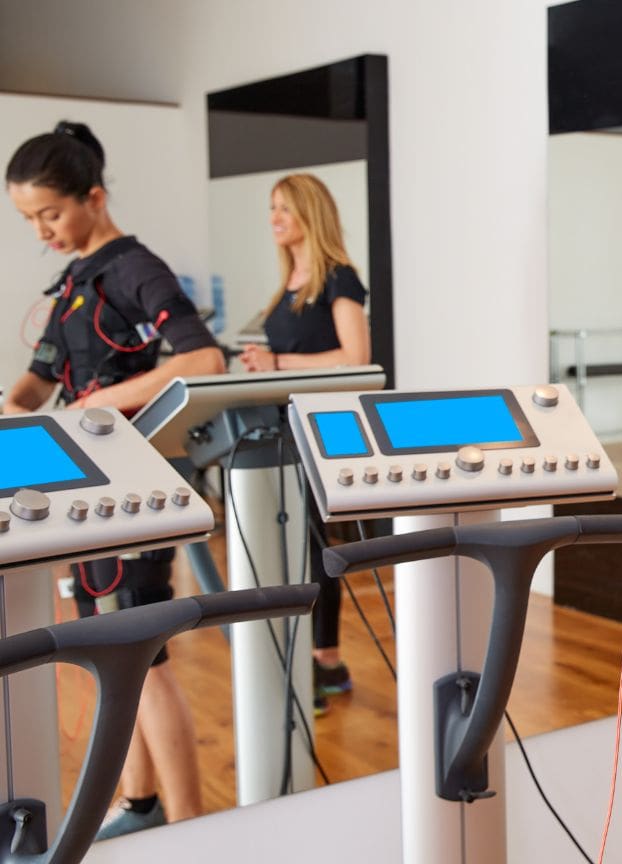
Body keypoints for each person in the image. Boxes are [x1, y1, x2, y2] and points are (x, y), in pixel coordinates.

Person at [5, 121, 226, 836]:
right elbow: (36, 386)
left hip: (135, 489)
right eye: (30, 219)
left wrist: (104, 401)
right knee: (110, 654)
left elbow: (203, 360)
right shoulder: (73, 283)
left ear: (94, 198)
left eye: (51, 214)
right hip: (87, 496)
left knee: (146, 658)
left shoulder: (137, 269)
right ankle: (140, 802)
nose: (44, 232)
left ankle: (193, 828)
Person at [239, 173, 370, 714]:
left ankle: (325, 661)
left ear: (309, 215)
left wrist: (278, 363)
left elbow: (355, 356)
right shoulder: (288, 283)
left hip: (318, 431)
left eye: (284, 209)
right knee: (289, 549)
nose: (274, 218)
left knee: (315, 550)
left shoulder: (338, 278)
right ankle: (319, 662)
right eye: (271, 208)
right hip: (277, 428)